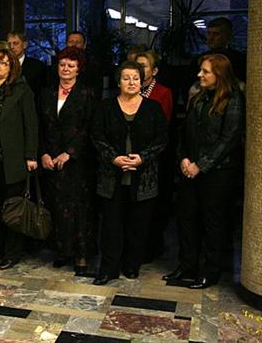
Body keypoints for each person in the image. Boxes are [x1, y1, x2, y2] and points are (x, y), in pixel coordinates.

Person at [164, 54, 244, 289]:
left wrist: (201, 165)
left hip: (217, 173)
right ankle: (187, 266)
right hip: (190, 169)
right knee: (186, 219)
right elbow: (184, 132)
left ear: (220, 74)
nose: (199, 75)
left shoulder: (233, 99)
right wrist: (184, 159)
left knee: (212, 223)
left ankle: (211, 272)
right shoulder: (199, 97)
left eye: (205, 71)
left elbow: (229, 139)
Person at [91, 61, 167, 285]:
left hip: (143, 178)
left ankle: (132, 266)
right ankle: (108, 269)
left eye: (136, 78)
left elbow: (162, 138)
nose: (131, 82)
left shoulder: (153, 108)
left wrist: (142, 158)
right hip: (111, 177)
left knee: (138, 225)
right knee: (111, 226)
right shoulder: (105, 107)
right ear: (118, 82)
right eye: (126, 78)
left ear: (142, 81)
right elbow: (96, 136)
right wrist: (113, 157)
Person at [0, 45, 38, 270]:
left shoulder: (22, 90)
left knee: (12, 208)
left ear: (12, 67)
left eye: (3, 62)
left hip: (12, 158)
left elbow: (31, 124)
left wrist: (31, 155)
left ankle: (12, 252)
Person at [39, 47, 96, 275]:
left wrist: (70, 153)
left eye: (71, 66)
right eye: (62, 65)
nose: (65, 69)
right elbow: (41, 127)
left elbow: (89, 127)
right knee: (56, 207)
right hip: (51, 160)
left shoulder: (87, 94)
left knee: (79, 210)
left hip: (77, 162)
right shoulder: (47, 93)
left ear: (79, 69)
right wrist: (43, 153)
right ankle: (62, 251)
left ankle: (81, 255)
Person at [135, 50, 174, 262]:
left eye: (144, 66)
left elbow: (162, 126)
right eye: (137, 65)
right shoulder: (130, 88)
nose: (139, 70)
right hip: (130, 155)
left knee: (153, 205)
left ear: (155, 70)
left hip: (154, 157)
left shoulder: (162, 92)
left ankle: (151, 247)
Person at [7, 30, 46, 97]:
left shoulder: (37, 66)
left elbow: (41, 92)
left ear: (24, 45)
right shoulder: (3, 65)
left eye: (15, 43)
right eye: (9, 44)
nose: (11, 47)